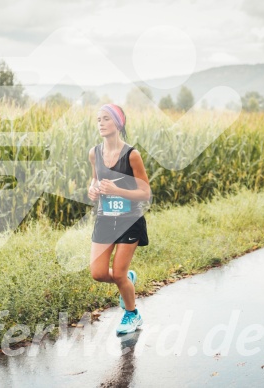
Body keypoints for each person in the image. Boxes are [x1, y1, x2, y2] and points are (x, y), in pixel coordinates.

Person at [87, 103, 152, 334]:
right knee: (98, 273)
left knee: (119, 274)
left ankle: (132, 315)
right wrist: (92, 190)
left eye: (106, 119)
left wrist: (118, 191)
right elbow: (94, 181)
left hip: (129, 220)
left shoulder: (132, 155)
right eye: (98, 119)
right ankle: (127, 281)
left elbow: (145, 192)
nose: (101, 124)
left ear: (118, 122)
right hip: (105, 220)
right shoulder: (94, 153)